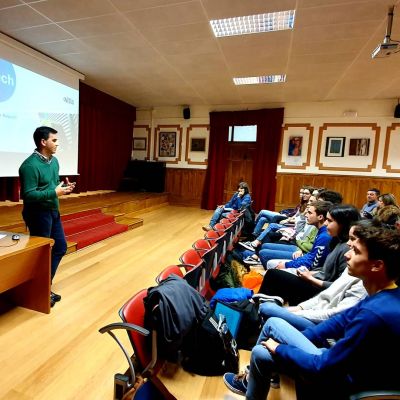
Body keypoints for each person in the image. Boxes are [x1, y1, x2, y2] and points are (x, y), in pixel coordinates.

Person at [223, 220, 400, 400]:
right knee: (262, 351)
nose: (347, 255)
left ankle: (249, 381)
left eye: (356, 251)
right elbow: (337, 323)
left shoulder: (374, 314)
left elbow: (323, 366)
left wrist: (281, 348)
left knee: (273, 325)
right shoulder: (384, 295)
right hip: (347, 366)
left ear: (377, 265)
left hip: (350, 382)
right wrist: (291, 339)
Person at [257, 204, 361, 304]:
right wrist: (311, 274)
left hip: (321, 291)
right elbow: (325, 270)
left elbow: (339, 286)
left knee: (273, 274)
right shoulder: (336, 241)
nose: (325, 223)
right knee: (275, 274)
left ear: (343, 224)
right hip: (315, 279)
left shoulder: (346, 248)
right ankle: (268, 306)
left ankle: (259, 308)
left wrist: (310, 278)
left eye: (329, 221)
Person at [19, 126, 76, 307]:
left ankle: (44, 286)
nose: (57, 144)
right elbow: (28, 195)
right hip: (37, 214)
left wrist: (63, 189)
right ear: (43, 142)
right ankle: (39, 290)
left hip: (53, 211)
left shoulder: (54, 161)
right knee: (42, 253)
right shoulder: (29, 166)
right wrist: (54, 192)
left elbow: (52, 187)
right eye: (54, 140)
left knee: (60, 247)